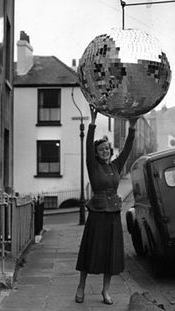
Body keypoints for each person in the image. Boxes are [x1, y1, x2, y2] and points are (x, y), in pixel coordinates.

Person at [75, 105, 138, 305]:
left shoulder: (115, 166)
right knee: (90, 250)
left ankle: (105, 291)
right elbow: (87, 147)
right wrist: (92, 124)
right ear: (96, 153)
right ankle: (81, 286)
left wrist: (132, 128)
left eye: (107, 149)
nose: (105, 151)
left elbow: (127, 149)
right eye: (101, 149)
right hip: (97, 214)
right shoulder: (93, 166)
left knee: (110, 254)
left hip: (113, 215)